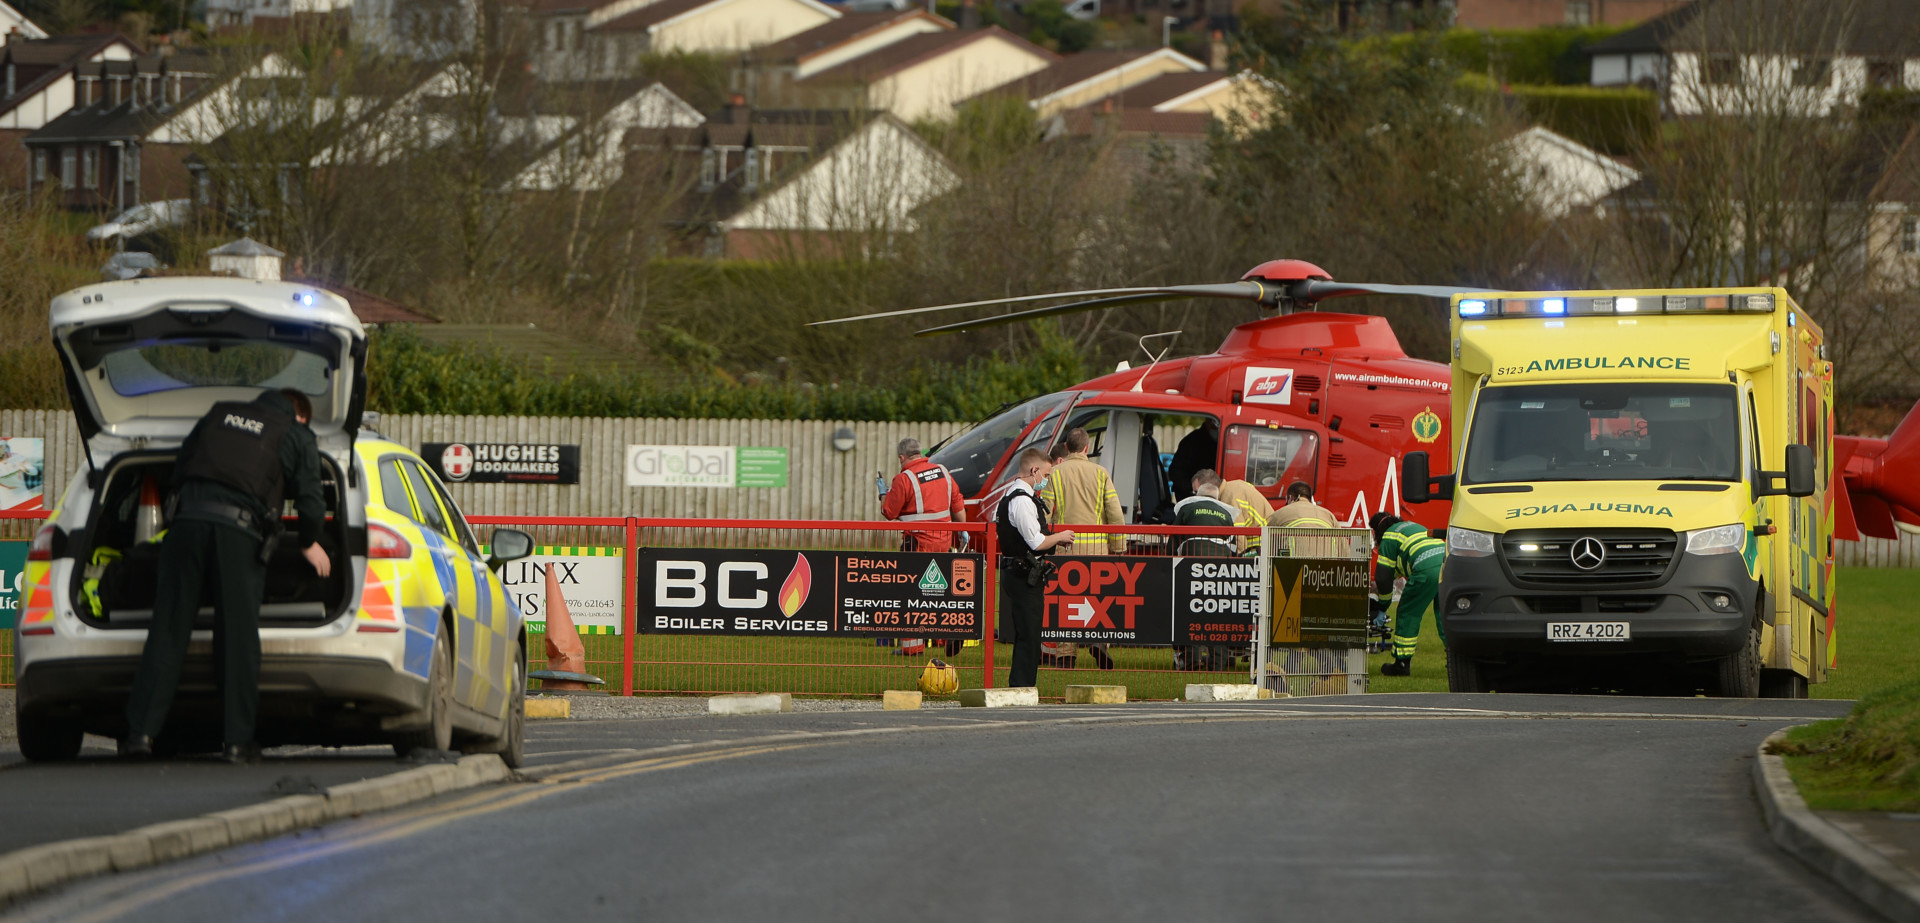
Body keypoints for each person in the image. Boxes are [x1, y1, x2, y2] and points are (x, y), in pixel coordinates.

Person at [122, 388, 329, 764]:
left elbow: (180, 466)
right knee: (236, 635)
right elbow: (311, 499)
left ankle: (140, 735)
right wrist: (310, 541)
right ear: (300, 414)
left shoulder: (219, 415)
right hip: (238, 532)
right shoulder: (295, 433)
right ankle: (237, 742)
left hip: (186, 526)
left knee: (168, 629)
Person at [1038, 427, 1124, 670]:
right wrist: (1118, 546)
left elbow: (1045, 509)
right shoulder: (1101, 473)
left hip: (1066, 547)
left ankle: (1066, 655)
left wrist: (1044, 541)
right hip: (1097, 550)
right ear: (1087, 448)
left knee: (1067, 600)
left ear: (1066, 447)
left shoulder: (1054, 473)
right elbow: (1114, 513)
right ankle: (1099, 643)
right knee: (1099, 600)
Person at [996, 447, 1075, 688]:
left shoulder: (1013, 495)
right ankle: (1022, 687)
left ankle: (1022, 685)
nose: (1047, 481)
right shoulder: (1021, 500)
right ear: (1034, 470)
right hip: (1022, 574)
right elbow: (1036, 541)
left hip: (1020, 572)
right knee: (1029, 637)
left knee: (1027, 634)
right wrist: (1060, 536)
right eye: (1047, 475)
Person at [880, 437, 966, 657]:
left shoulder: (903, 479)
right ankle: (947, 633)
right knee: (939, 592)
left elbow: (889, 512)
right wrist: (962, 529)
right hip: (944, 542)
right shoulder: (943, 471)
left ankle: (912, 647)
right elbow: (957, 503)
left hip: (917, 545)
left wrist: (883, 494)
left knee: (908, 593)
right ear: (920, 452)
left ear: (902, 457)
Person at [1172, 470, 1237, 671]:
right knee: (1217, 615)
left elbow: (1174, 540)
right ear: (1217, 497)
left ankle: (1192, 663)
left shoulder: (1187, 509)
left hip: (1191, 568)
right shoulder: (1226, 513)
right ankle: (1218, 664)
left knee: (1191, 613)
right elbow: (1233, 547)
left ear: (1197, 495)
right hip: (1219, 571)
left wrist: (1169, 565)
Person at [1369, 512, 1446, 677]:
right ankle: (1455, 660)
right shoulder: (1412, 527)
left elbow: (1383, 577)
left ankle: (1401, 664)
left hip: (1426, 570)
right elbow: (1399, 568)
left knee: (1408, 612)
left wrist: (1382, 605)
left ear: (1377, 531)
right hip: (1448, 565)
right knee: (1445, 616)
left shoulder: (1389, 537)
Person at [1216, 476, 1274, 555]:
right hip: (1268, 540)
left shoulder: (1228, 498)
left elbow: (1238, 534)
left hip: (1258, 547)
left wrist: (1239, 559)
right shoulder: (1234, 485)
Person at [1167, 419, 1218, 502]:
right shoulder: (1192, 442)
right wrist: (1194, 489)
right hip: (1190, 497)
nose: (1215, 428)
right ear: (1207, 422)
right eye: (1213, 424)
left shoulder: (1216, 442)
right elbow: (1176, 472)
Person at [1270, 481, 1336, 529]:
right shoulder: (1329, 515)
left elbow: (1266, 540)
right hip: (1325, 548)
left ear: (1290, 498)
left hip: (1294, 549)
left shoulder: (1279, 514)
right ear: (1310, 498)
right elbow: (1342, 544)